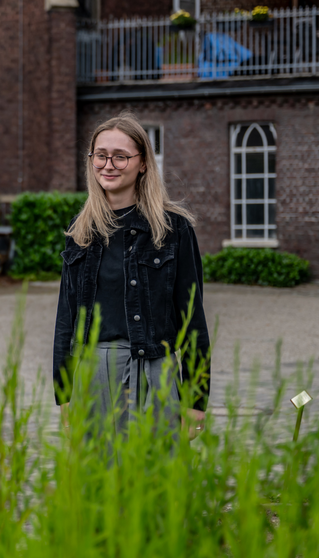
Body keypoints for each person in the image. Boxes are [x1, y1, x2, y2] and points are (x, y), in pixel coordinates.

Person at [52, 112, 210, 441]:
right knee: (97, 481)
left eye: (120, 156)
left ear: (143, 164)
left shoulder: (172, 228)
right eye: (100, 155)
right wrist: (64, 392)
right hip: (93, 373)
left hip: (155, 370)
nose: (108, 165)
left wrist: (196, 398)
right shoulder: (80, 229)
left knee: (156, 480)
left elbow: (192, 317)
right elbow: (66, 318)